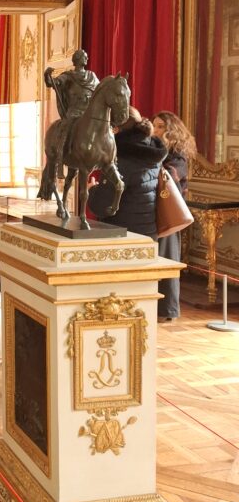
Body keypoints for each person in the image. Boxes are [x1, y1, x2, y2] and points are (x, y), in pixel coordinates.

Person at [88, 107, 167, 239]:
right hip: (147, 233)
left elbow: (102, 207)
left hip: (122, 236)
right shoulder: (151, 149)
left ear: (115, 129)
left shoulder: (120, 159)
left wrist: (92, 190)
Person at [152, 111, 197, 321]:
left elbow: (168, 178)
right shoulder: (154, 149)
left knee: (167, 259)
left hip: (169, 214)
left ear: (171, 130)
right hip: (153, 211)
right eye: (154, 125)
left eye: (160, 126)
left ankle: (167, 310)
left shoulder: (177, 155)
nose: (155, 130)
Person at [44, 50, 99, 177]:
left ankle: (109, 157)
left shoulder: (92, 76)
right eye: (84, 57)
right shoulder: (68, 76)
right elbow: (53, 83)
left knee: (105, 126)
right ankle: (60, 159)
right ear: (77, 60)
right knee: (65, 129)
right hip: (74, 111)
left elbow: (100, 90)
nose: (86, 58)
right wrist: (47, 76)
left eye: (86, 56)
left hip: (89, 112)